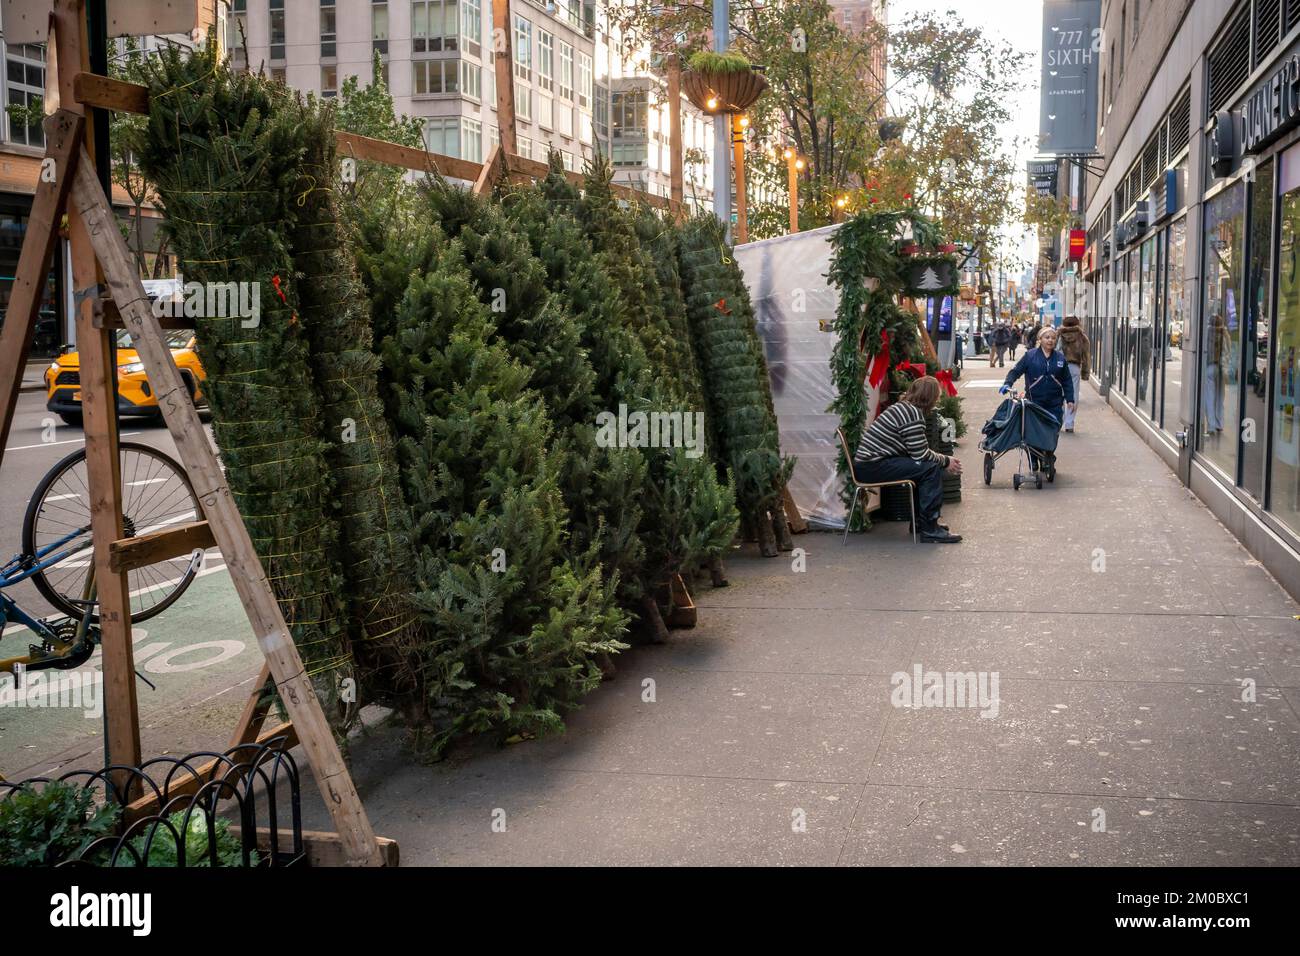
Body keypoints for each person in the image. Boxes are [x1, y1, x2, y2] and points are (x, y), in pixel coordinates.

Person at [854, 376, 963, 544]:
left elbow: (916, 454)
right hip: (873, 466)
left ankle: (922, 523)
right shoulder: (912, 415)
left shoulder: (903, 408)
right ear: (930, 398)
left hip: (869, 464)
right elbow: (920, 455)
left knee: (925, 468)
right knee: (929, 469)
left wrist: (941, 460)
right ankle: (930, 529)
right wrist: (946, 460)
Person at [1001, 325, 1074, 428]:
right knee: (1036, 434)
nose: (1050, 340)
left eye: (1053, 338)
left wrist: (1070, 399)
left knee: (1052, 433)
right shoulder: (1030, 356)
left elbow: (1067, 380)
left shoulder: (1060, 358)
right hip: (1034, 403)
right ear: (1040, 339)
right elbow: (1015, 371)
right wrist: (1007, 384)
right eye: (1047, 337)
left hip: (1055, 404)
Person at [1056, 316, 1091, 433]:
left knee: (1058, 394)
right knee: (1074, 395)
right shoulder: (1082, 337)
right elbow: (1086, 357)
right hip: (1074, 367)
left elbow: (1052, 351)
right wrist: (1085, 373)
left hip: (1059, 367)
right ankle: (1069, 424)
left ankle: (1058, 421)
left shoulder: (1059, 335)